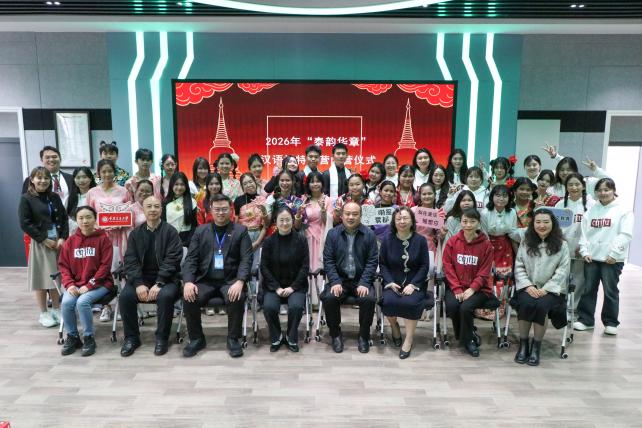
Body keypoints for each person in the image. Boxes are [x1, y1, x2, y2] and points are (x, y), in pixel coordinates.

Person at [181, 194, 253, 358]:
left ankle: (233, 339)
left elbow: (246, 259)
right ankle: (197, 339)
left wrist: (240, 281)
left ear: (231, 210)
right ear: (210, 211)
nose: (221, 213)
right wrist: (188, 282)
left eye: (224, 209)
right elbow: (191, 259)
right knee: (189, 296)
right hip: (205, 280)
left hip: (230, 280)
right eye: (217, 209)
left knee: (237, 297)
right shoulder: (201, 231)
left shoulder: (240, 231)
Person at [119, 196, 183, 357]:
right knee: (125, 297)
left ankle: (162, 338)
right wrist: (138, 283)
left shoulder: (170, 232)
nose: (153, 209)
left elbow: (173, 260)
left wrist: (160, 282)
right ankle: (132, 338)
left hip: (167, 279)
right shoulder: (135, 234)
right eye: (149, 206)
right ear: (143, 209)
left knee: (165, 297)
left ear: (161, 209)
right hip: (141, 279)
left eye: (156, 206)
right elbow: (130, 260)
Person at [574, 178, 634, 335]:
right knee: (588, 289)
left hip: (611, 260)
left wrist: (614, 253)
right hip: (592, 258)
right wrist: (585, 252)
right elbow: (584, 234)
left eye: (606, 190)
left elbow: (625, 234)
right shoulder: (591, 211)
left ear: (614, 190)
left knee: (610, 291)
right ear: (595, 192)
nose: (603, 193)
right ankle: (586, 320)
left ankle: (611, 322)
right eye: (599, 190)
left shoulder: (624, 210)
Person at [513, 209, 570, 366]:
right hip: (528, 287)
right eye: (538, 222)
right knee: (525, 303)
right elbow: (519, 266)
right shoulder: (525, 242)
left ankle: (536, 347)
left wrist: (546, 289)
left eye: (546, 222)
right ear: (533, 224)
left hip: (552, 290)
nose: (542, 225)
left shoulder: (562, 245)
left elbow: (563, 270)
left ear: (553, 223)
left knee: (541, 306)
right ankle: (523, 344)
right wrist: (528, 286)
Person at [321, 201, 378, 353]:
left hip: (361, 280)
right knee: (329, 297)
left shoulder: (369, 234)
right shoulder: (333, 234)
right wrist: (334, 281)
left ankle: (364, 335)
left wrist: (365, 282)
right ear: (342, 215)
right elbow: (328, 260)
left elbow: (372, 261)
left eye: (355, 214)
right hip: (340, 280)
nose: (351, 217)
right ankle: (335, 334)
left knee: (368, 299)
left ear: (361, 216)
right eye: (347, 214)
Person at [58, 206, 114, 356]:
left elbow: (105, 267)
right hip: (76, 284)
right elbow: (63, 266)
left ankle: (89, 337)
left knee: (82, 302)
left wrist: (89, 285)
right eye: (81, 218)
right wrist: (69, 284)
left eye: (88, 217)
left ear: (95, 219)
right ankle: (73, 337)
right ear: (76, 220)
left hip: (101, 284)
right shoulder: (70, 241)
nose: (85, 221)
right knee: (66, 302)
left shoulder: (103, 240)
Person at [19, 166, 68, 327]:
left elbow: (63, 218)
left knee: (55, 277)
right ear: (32, 180)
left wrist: (63, 238)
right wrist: (44, 240)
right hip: (41, 243)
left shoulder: (54, 197)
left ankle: (56, 309)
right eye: (39, 177)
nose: (43, 181)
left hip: (57, 242)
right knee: (41, 278)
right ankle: (44, 313)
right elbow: (25, 223)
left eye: (46, 178)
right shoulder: (27, 198)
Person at [442, 209, 495, 357]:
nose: (468, 225)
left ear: (478, 223)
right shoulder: (452, 242)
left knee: (465, 307)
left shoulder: (486, 245)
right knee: (452, 306)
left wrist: (472, 289)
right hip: (457, 287)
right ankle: (467, 334)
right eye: (465, 221)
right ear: (460, 222)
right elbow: (448, 266)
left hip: (480, 289)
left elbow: (484, 272)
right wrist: (457, 288)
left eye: (472, 221)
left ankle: (468, 340)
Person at [86, 159, 133, 322]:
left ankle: (122, 305)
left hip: (120, 237)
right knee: (103, 271)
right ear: (98, 173)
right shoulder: (92, 193)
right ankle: (106, 307)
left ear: (115, 172)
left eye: (110, 171)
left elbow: (130, 212)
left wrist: (122, 222)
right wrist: (98, 225)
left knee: (121, 271)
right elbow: (88, 215)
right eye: (103, 171)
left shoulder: (124, 191)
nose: (107, 174)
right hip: (101, 238)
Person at [379, 207, 430, 359]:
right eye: (398, 219)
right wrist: (389, 282)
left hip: (415, 283)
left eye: (406, 218)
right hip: (393, 282)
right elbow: (383, 264)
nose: (402, 221)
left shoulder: (420, 240)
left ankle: (408, 339)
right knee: (388, 301)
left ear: (412, 221)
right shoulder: (387, 240)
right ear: (394, 222)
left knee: (410, 303)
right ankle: (394, 325)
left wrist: (413, 285)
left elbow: (424, 266)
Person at [260, 208, 310, 352]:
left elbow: (305, 267)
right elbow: (264, 267)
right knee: (269, 307)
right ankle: (276, 336)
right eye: (281, 220)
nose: (285, 223)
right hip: (273, 286)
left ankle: (291, 336)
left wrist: (292, 287)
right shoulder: (269, 241)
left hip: (296, 286)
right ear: (275, 222)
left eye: (287, 220)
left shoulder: (301, 240)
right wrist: (276, 287)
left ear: (292, 221)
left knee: (296, 307)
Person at [555, 173, 595, 312]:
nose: (574, 187)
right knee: (562, 277)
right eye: (570, 184)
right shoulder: (560, 204)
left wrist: (582, 246)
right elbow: (555, 227)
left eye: (577, 184)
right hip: (563, 247)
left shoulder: (591, 204)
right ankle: (560, 308)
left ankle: (573, 309)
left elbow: (592, 228)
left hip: (581, 248)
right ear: (566, 187)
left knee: (579, 279)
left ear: (583, 186)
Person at [302, 171, 332, 305]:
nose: (315, 184)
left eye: (318, 181)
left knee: (320, 267)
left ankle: (320, 300)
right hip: (307, 238)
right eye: (312, 181)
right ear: (308, 184)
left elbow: (329, 221)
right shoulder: (304, 200)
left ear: (322, 183)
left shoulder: (327, 200)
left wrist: (324, 210)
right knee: (307, 267)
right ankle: (309, 300)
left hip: (321, 238)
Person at [234, 172, 269, 273]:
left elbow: (266, 225)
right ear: (242, 187)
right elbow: (235, 224)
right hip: (243, 236)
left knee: (256, 268)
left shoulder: (263, 200)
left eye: (250, 182)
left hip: (259, 235)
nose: (249, 185)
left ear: (255, 182)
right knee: (244, 266)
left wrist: (257, 242)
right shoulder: (238, 201)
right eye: (245, 183)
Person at [162, 172, 197, 248]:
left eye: (182, 184)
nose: (179, 187)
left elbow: (194, 225)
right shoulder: (165, 203)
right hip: (169, 240)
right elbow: (163, 224)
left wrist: (187, 242)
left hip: (187, 241)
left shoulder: (192, 202)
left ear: (186, 186)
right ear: (172, 185)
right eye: (176, 184)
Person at [412, 182, 443, 254]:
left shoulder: (439, 213)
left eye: (430, 193)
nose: (427, 196)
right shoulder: (413, 211)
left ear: (435, 195)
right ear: (420, 196)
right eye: (424, 194)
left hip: (429, 247)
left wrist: (442, 234)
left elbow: (439, 236)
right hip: (413, 245)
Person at [66, 167, 97, 234]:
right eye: (78, 178)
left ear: (90, 178)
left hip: (94, 232)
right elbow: (67, 216)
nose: (81, 180)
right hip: (76, 233)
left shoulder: (97, 195)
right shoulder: (70, 197)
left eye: (84, 177)